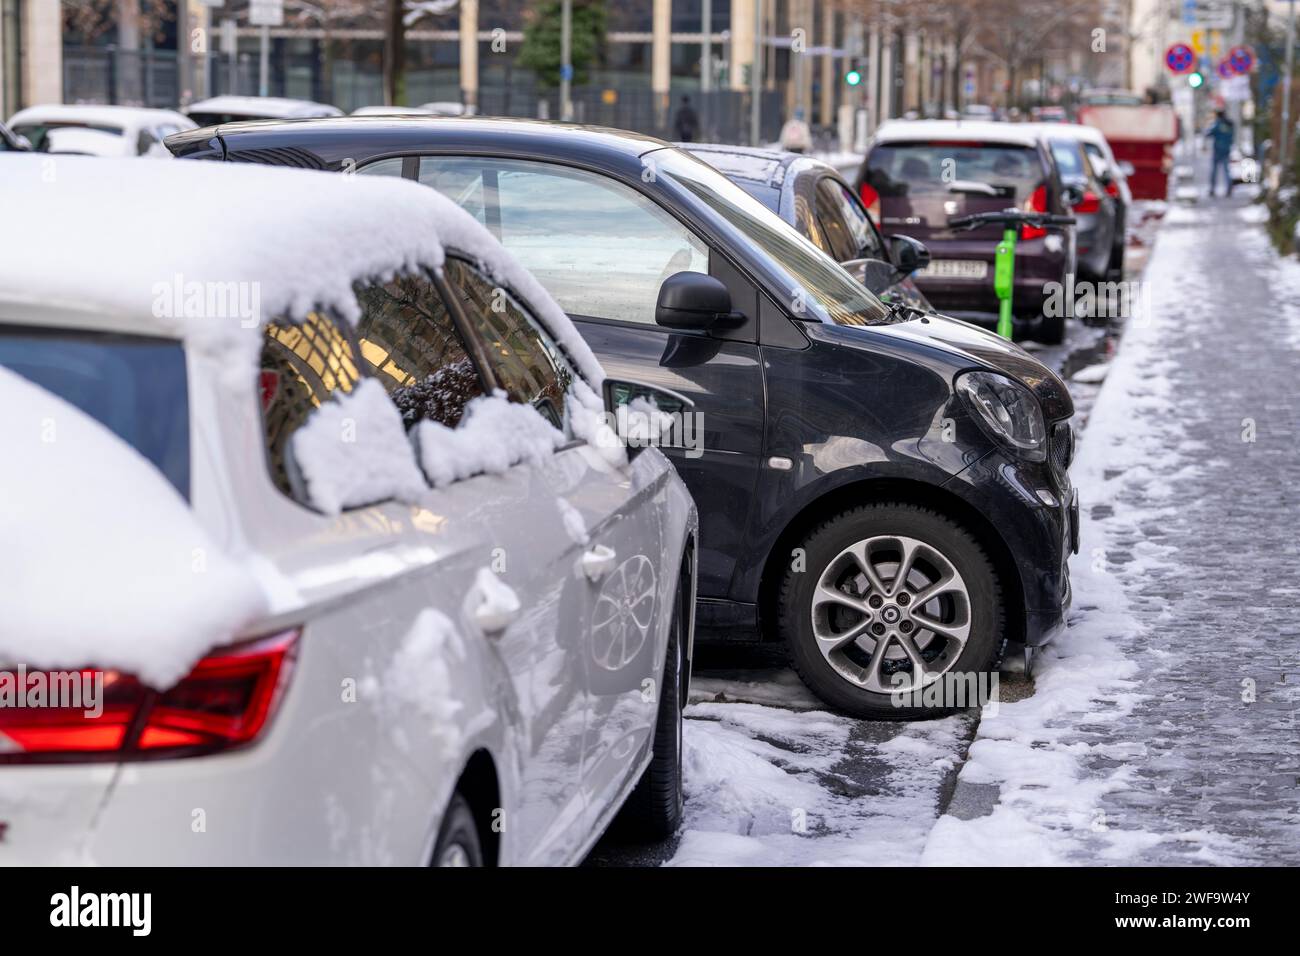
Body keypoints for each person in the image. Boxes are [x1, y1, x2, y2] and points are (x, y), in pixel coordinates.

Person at [1206, 109, 1235, 198]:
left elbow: (1208, 133)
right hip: (1226, 150)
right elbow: (1231, 137)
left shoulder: (1217, 124)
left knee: (1214, 171)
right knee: (1226, 170)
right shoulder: (1229, 124)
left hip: (1218, 150)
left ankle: (1212, 189)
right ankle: (1229, 186)